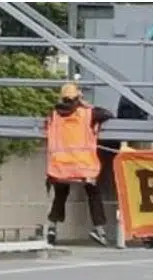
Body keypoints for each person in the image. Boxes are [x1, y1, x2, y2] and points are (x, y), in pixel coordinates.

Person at [44, 82, 114, 247]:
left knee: (60, 194)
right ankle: (99, 230)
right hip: (83, 167)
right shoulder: (89, 114)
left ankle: (52, 228)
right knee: (93, 193)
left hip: (60, 167)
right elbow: (109, 113)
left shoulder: (53, 115)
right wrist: (86, 104)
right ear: (79, 97)